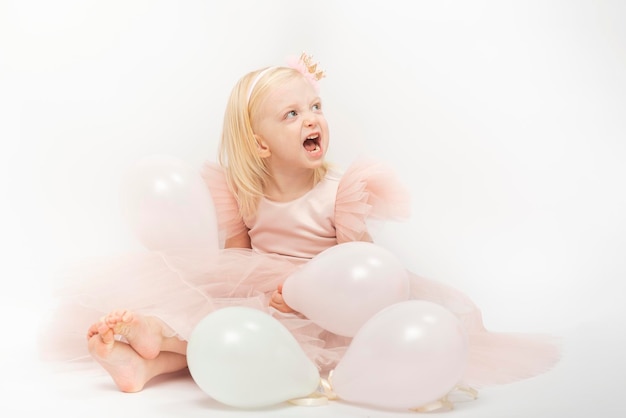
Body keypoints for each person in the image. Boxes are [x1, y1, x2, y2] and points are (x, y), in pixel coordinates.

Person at [40, 53, 560, 395]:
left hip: (322, 306)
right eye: (291, 114)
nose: (312, 119)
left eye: (315, 106)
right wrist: (244, 296)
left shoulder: (341, 193)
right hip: (261, 296)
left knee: (273, 337)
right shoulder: (241, 194)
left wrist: (303, 295)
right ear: (260, 143)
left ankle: (163, 347)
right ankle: (148, 361)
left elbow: (361, 272)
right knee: (225, 325)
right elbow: (232, 265)